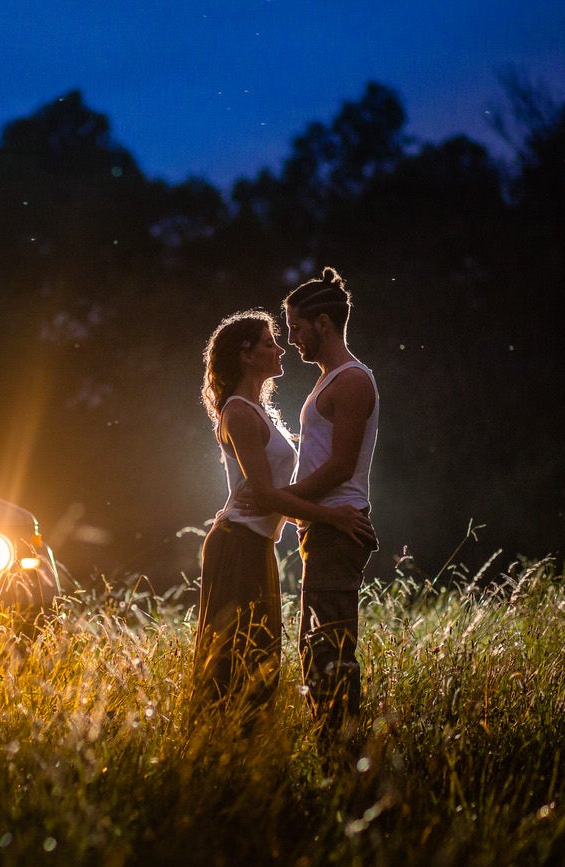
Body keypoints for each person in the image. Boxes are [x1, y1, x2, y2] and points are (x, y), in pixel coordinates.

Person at [193, 309, 374, 724]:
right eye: (270, 342)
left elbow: (271, 497)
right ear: (247, 355)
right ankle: (219, 751)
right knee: (235, 655)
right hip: (236, 543)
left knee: (258, 652)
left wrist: (307, 514)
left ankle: (246, 751)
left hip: (256, 545)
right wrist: (330, 518)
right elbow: (264, 495)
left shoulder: (259, 411)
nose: (281, 349)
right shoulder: (237, 412)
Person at [244, 267, 379, 749]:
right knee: (315, 645)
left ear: (323, 324)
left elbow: (341, 467)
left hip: (340, 526)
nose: (291, 339)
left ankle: (345, 757)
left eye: (296, 328)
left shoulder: (351, 381)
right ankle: (334, 749)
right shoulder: (329, 381)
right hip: (323, 527)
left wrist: (283, 501)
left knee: (330, 649)